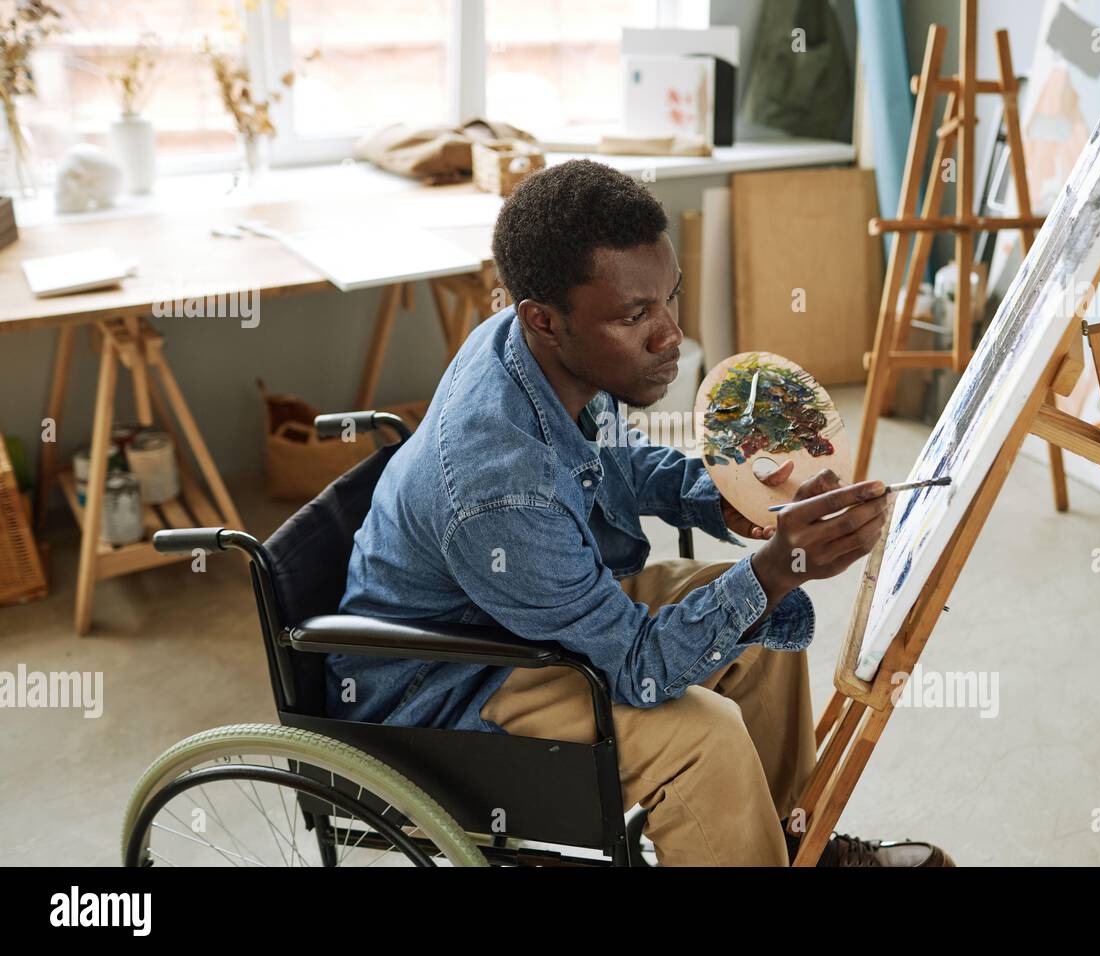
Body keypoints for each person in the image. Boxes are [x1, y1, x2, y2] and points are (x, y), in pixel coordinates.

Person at [327, 159, 953, 867]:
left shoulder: (533, 348)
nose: (670, 337)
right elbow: (639, 669)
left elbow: (617, 456)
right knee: (701, 734)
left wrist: (720, 495)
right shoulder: (501, 489)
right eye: (635, 315)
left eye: (668, 300)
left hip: (515, 617)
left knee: (755, 629)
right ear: (544, 318)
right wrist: (779, 568)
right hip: (444, 689)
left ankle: (787, 842)